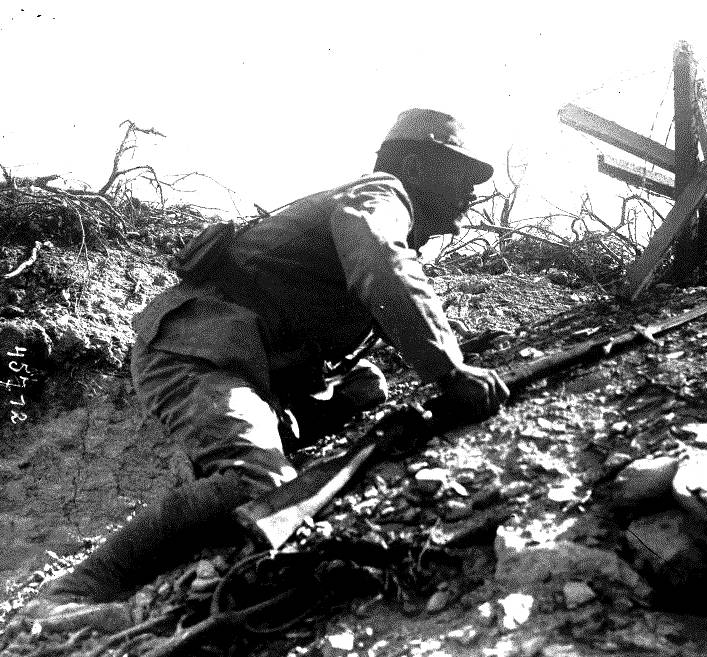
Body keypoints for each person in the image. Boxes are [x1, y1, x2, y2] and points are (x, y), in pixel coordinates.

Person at [23, 108, 509, 628]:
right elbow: (385, 274)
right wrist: (449, 370)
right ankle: (72, 589)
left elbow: (382, 301)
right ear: (416, 163)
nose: (469, 195)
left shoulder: (383, 215)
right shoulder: (382, 194)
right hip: (198, 350)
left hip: (256, 365)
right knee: (255, 480)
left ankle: (254, 446)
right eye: (459, 176)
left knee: (367, 388)